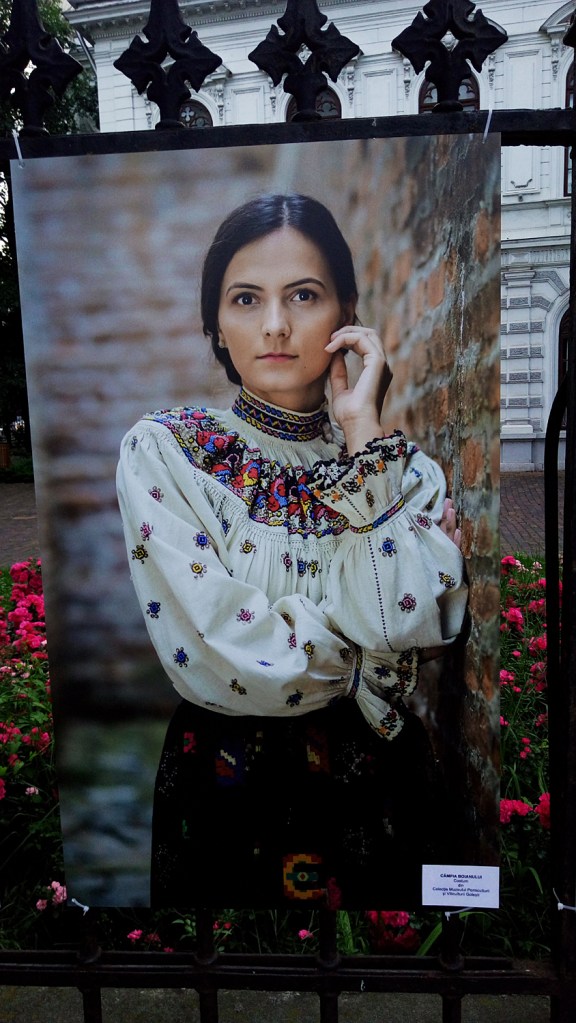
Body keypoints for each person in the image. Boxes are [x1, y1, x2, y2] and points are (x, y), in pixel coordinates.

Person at [116, 193, 467, 909]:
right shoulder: (168, 454)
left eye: (304, 295)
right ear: (215, 320)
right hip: (228, 783)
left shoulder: (403, 474)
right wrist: (373, 657)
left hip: (380, 788)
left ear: (347, 309)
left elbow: (410, 623)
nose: (275, 325)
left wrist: (362, 432)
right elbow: (215, 641)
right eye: (246, 298)